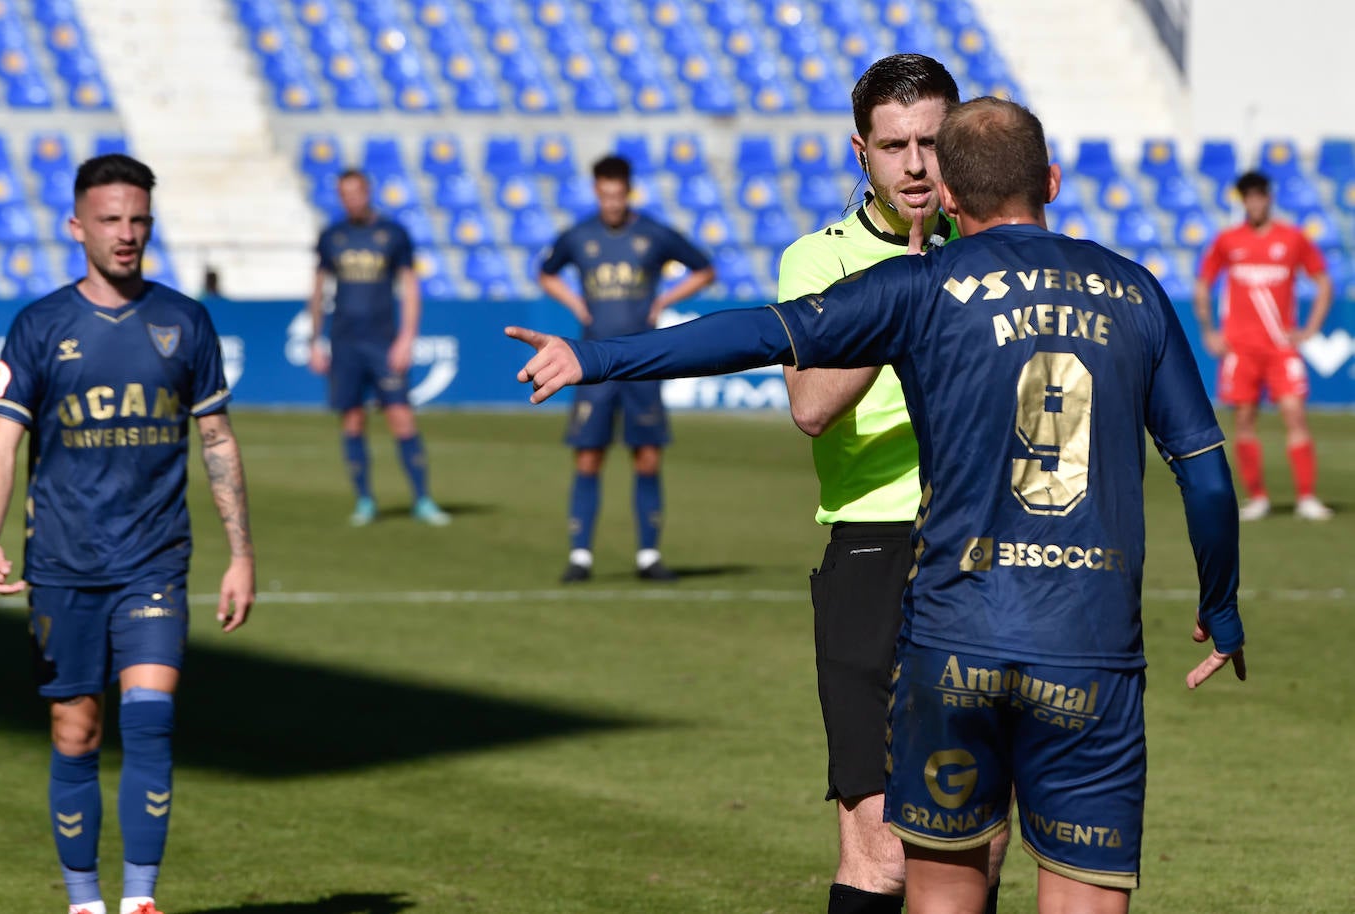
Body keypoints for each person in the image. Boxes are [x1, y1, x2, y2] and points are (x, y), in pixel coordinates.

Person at [508, 97, 1246, 914]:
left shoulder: (923, 283)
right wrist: (1220, 604)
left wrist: (593, 356)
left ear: (950, 196)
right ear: (1053, 181)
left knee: (938, 894)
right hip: (1089, 644)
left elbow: (760, 333)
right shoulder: (1135, 291)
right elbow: (1206, 476)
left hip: (953, 639)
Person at [0, 154, 256, 914]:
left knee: (150, 719)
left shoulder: (185, 322)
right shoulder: (39, 326)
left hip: (153, 561)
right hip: (62, 564)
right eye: (110, 220)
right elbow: (1, 445)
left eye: (138, 220)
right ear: (78, 227)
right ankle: (84, 902)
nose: (126, 233)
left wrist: (242, 556)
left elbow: (218, 441)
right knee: (76, 732)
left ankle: (140, 901)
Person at [778, 54, 1003, 914]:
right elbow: (810, 406)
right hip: (874, 552)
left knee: (978, 845)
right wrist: (902, 293)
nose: (915, 164)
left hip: (982, 552)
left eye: (932, 143)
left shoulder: (993, 255)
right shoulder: (819, 261)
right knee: (882, 852)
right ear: (861, 153)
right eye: (893, 145)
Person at [537, 154, 715, 583]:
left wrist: (663, 300)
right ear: (596, 192)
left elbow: (704, 269)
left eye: (618, 195)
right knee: (588, 457)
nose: (612, 203)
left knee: (648, 457)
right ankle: (580, 556)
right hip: (592, 363)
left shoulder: (652, 233)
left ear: (628, 192)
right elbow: (546, 274)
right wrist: (575, 303)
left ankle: (648, 556)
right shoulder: (579, 236)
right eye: (605, 195)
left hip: (643, 362)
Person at [308, 168, 450, 527]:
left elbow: (410, 286)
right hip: (344, 342)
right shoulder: (332, 236)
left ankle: (422, 499)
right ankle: (365, 501)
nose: (351, 200)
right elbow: (318, 288)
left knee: (401, 416)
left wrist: (407, 337)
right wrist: (314, 339)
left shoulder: (393, 234)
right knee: (353, 420)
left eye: (356, 192)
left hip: (383, 341)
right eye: (344, 194)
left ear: (368, 192)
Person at [1194, 170, 1333, 521]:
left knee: (1295, 415)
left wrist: (1310, 328)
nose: (1254, 203)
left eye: (1259, 195)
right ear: (1243, 201)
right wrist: (1209, 330)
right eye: (1248, 197)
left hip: (1280, 348)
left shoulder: (1292, 238)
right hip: (1240, 350)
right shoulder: (1228, 240)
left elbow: (1323, 282)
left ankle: (1306, 497)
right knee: (1243, 419)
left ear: (1268, 198)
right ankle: (1257, 497)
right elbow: (1203, 283)